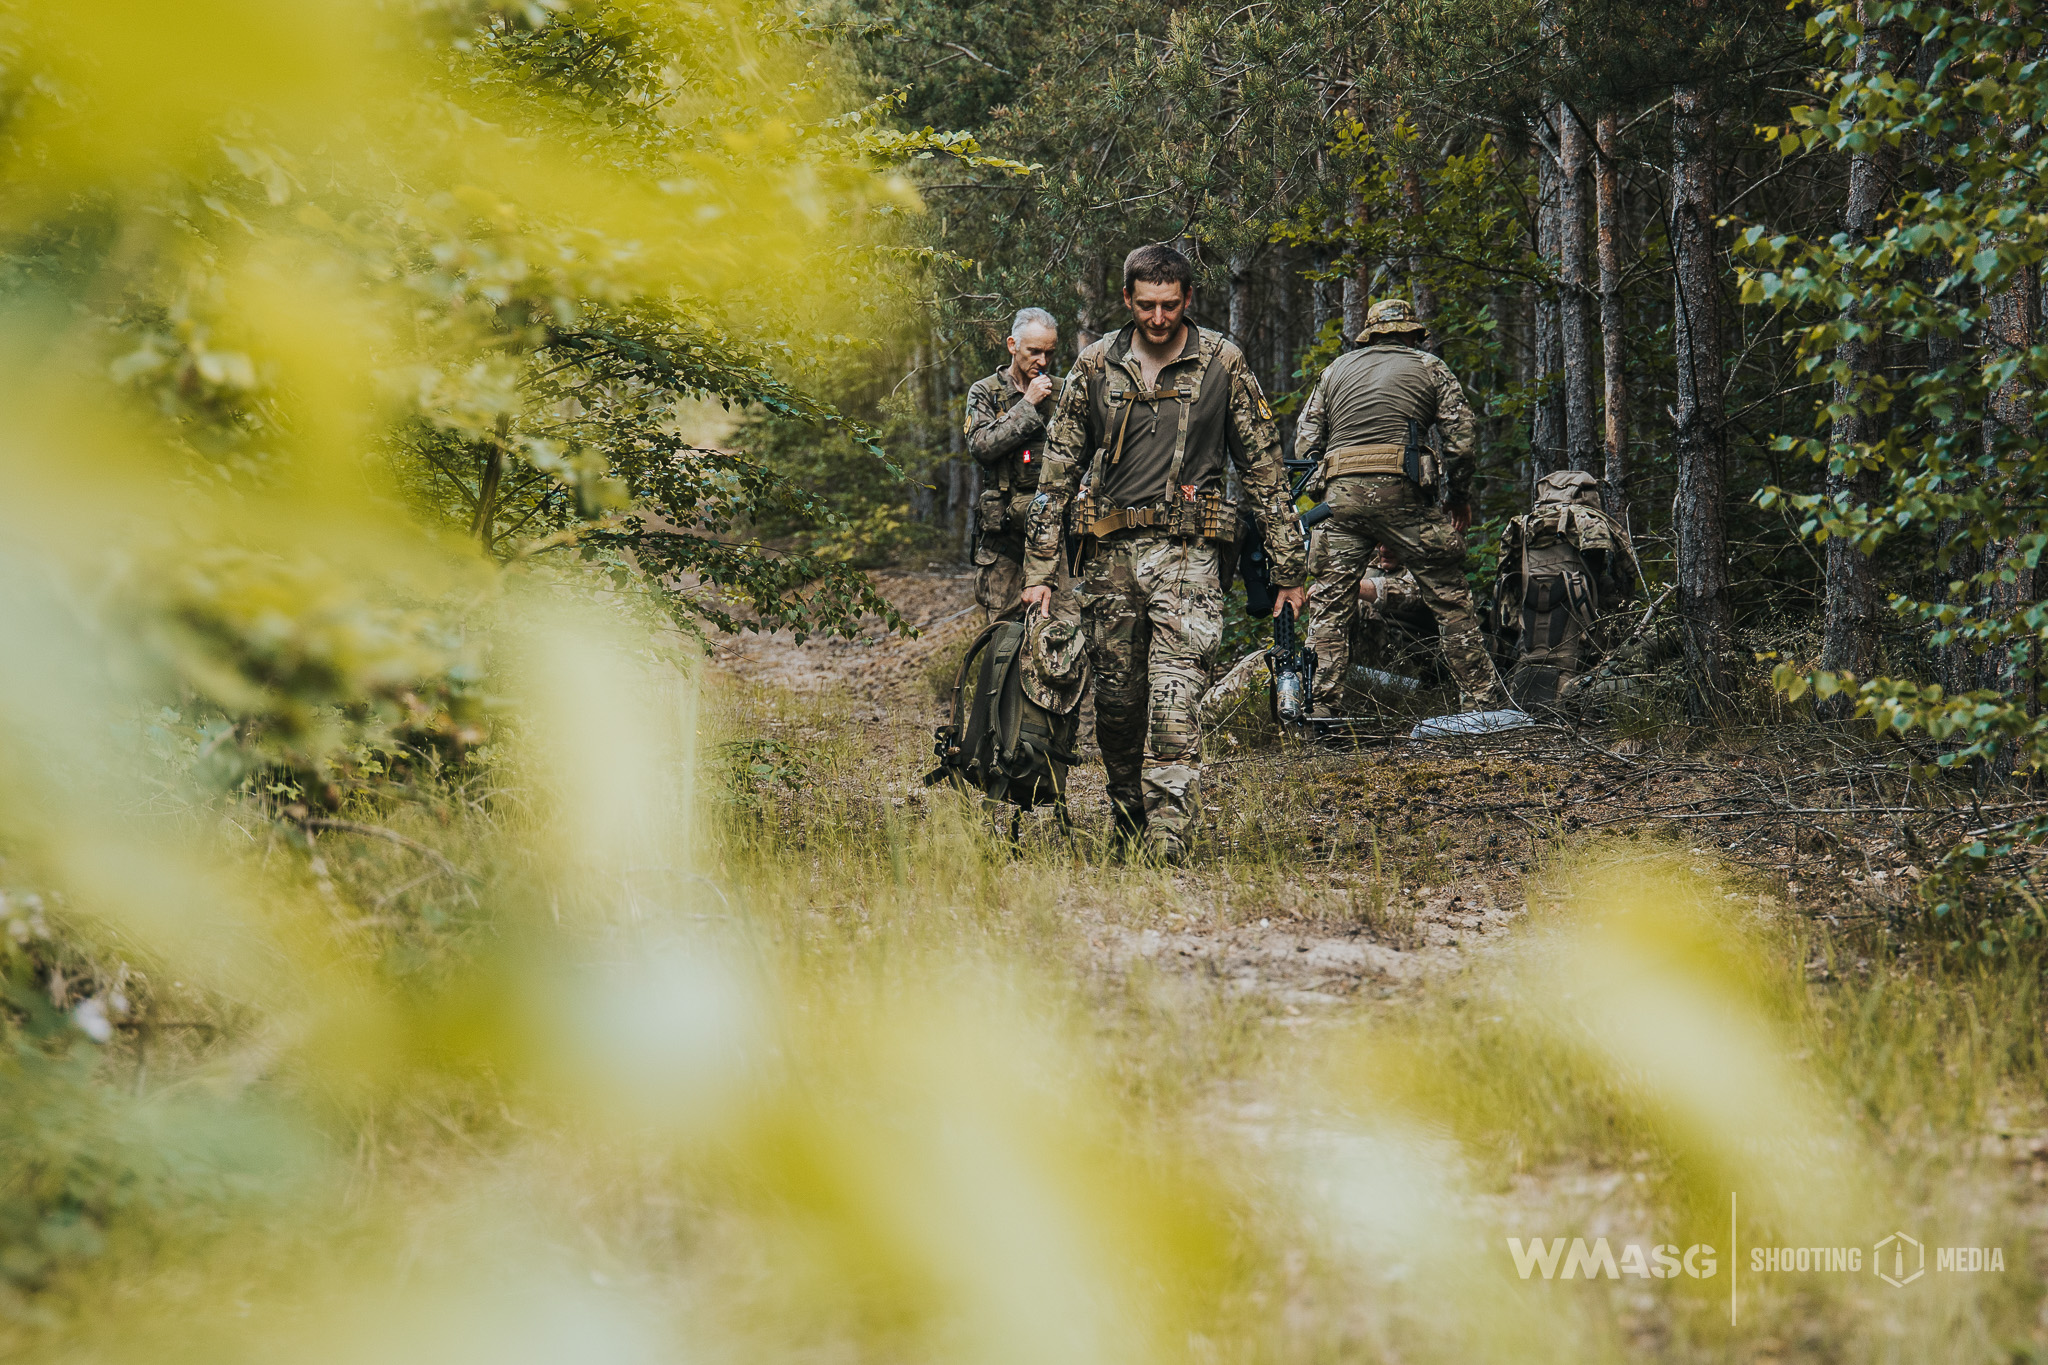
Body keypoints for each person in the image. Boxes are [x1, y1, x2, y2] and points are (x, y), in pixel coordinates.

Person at [1019, 243, 1306, 862]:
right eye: (1145, 305)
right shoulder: (1094, 367)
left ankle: (1167, 846)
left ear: (1188, 300)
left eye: (1169, 305)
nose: (1157, 318)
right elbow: (1057, 473)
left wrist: (1288, 568)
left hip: (1190, 558)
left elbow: (1262, 468)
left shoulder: (1223, 363)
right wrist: (1041, 571)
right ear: (1126, 299)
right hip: (1108, 563)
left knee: (1175, 702)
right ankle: (1127, 814)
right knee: (1119, 708)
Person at [1295, 298, 1509, 714]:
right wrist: (1457, 498)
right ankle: (1482, 707)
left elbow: (1305, 445)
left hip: (1340, 499)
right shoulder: (1430, 367)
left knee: (1329, 607)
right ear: (1412, 333)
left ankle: (1320, 712)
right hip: (1404, 495)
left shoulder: (1334, 371)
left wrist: (1329, 495)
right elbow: (1461, 442)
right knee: (1450, 598)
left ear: (1370, 335)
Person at [1494, 468, 1639, 707]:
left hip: (1524, 662)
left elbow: (1502, 573)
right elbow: (1631, 570)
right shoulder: (1591, 522)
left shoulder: (1523, 525)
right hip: (1573, 660)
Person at [964, 308, 1064, 619]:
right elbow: (981, 446)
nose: (1042, 362)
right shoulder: (985, 392)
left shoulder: (1063, 393)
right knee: (1005, 639)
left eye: (1048, 353)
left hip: (1055, 541)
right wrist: (1028, 404)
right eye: (1034, 352)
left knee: (1062, 637)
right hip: (1004, 544)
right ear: (1012, 345)